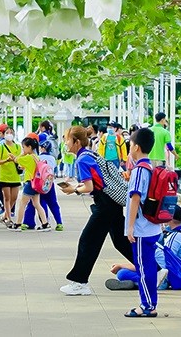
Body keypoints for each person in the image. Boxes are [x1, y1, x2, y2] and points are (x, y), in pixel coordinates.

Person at [59, 126, 133, 296]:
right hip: (111, 201)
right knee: (121, 241)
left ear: (76, 142)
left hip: (104, 204)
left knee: (88, 240)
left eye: (67, 139)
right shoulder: (90, 154)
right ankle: (154, 270)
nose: (65, 143)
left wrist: (74, 190)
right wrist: (76, 187)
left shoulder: (81, 160)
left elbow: (89, 186)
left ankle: (80, 282)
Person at [122, 127, 161, 318]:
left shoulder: (139, 170)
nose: (129, 149)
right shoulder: (150, 168)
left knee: (143, 268)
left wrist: (130, 227)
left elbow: (135, 198)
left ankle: (147, 305)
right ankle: (150, 302)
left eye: (130, 145)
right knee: (149, 266)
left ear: (136, 147)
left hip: (141, 228)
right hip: (152, 226)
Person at [8, 137, 51, 232]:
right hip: (37, 183)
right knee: (37, 204)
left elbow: (17, 160)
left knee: (22, 203)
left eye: (24, 147)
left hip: (30, 183)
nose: (23, 149)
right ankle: (45, 223)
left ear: (29, 147)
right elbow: (25, 166)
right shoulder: (36, 157)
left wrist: (21, 154)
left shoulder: (28, 157)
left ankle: (18, 224)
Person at [23, 138, 63, 231]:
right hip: (50, 183)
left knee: (37, 203)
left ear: (42, 148)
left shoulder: (38, 157)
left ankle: (33, 222)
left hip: (39, 183)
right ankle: (59, 223)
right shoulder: (53, 158)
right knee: (53, 203)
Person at [0, 127, 22, 226]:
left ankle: (4, 215)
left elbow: (20, 159)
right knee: (7, 198)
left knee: (14, 197)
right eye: (7, 132)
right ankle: (8, 218)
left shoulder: (18, 147)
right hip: (4, 176)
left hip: (15, 176)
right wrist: (6, 160)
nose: (9, 134)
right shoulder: (0, 147)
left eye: (11, 133)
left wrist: (15, 160)